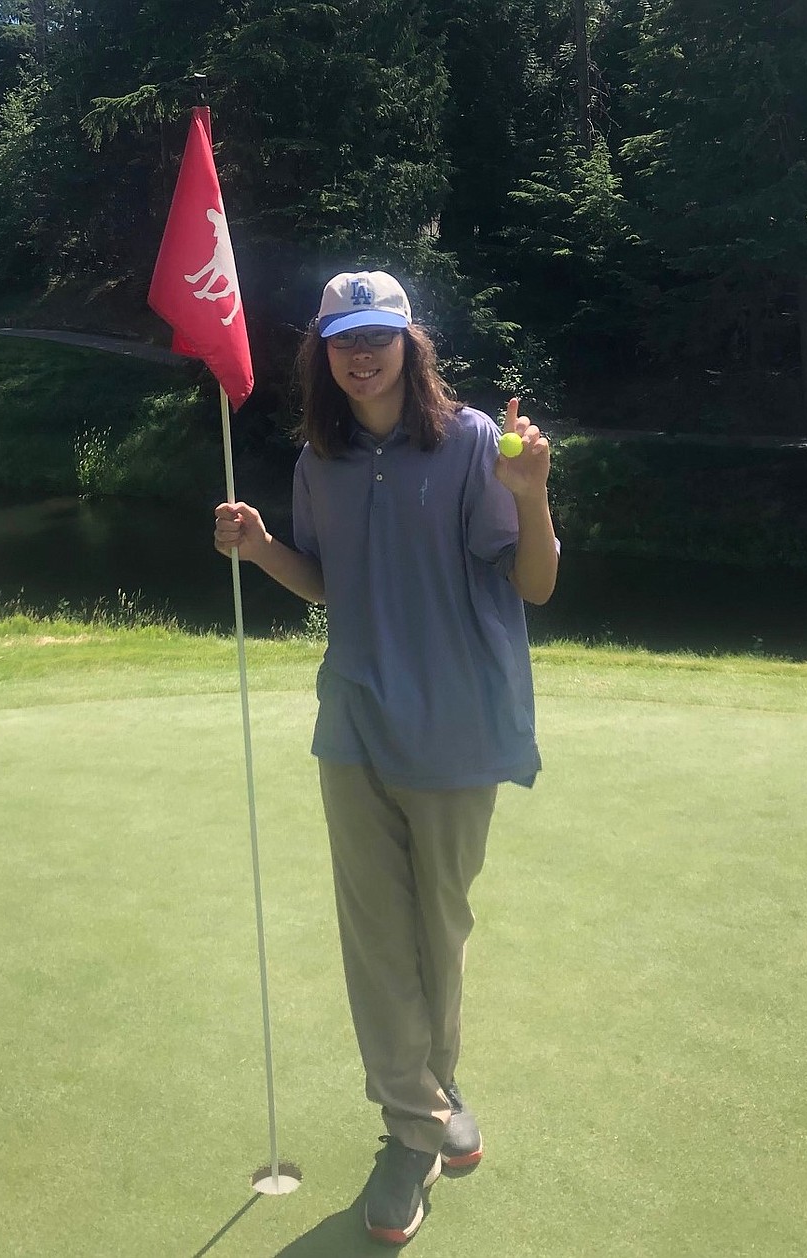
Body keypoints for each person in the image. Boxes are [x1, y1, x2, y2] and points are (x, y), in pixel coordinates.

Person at [214, 270, 558, 1245]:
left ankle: (429, 1107)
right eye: (342, 337)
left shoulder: (475, 445)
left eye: (379, 334)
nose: (361, 352)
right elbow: (328, 586)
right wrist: (262, 549)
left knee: (434, 936)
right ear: (324, 351)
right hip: (355, 726)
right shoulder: (317, 460)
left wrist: (532, 500)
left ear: (413, 344)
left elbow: (532, 583)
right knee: (375, 943)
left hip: (457, 730)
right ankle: (417, 1129)